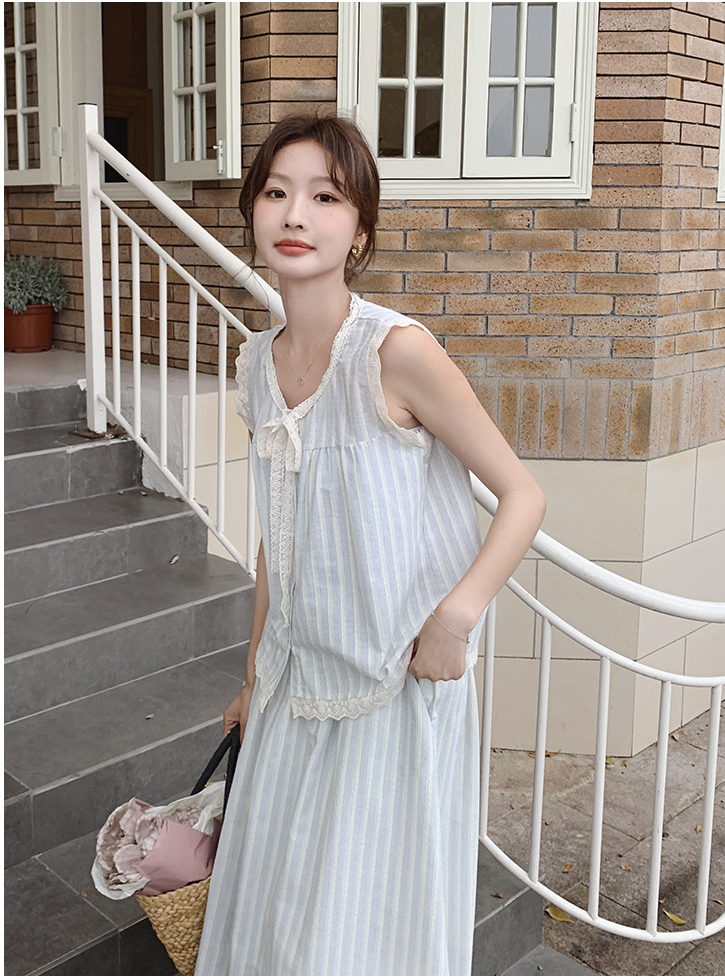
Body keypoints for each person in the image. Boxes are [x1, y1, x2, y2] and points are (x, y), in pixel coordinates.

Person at [194, 113, 546, 977]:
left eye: (325, 197)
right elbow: (280, 530)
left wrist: (456, 618)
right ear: (253, 211)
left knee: (360, 927)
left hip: (390, 691)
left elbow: (523, 495)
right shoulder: (255, 365)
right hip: (292, 687)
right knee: (282, 920)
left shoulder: (396, 351)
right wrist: (252, 674)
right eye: (276, 192)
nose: (295, 214)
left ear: (360, 229)